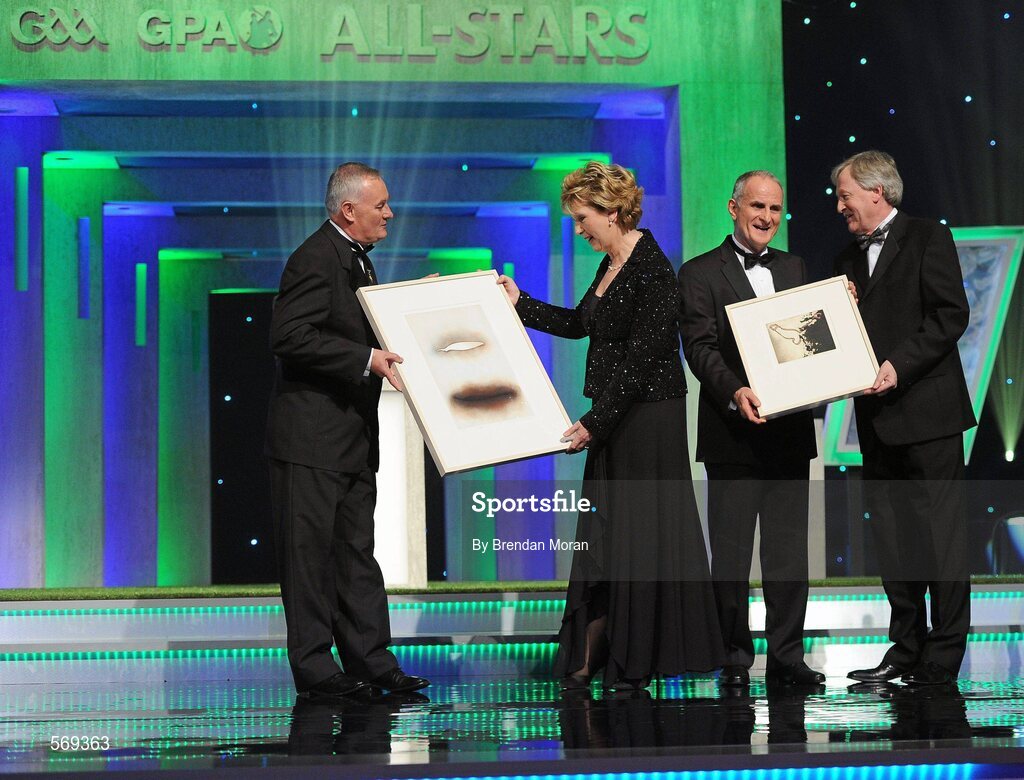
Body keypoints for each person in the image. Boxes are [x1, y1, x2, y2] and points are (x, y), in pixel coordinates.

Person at [497, 161, 723, 692]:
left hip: (648, 419)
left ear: (613, 211)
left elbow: (643, 359)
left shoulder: (652, 268)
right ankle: (596, 653)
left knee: (637, 535)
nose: (578, 230)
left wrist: (594, 423)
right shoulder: (613, 264)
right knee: (607, 535)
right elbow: (580, 325)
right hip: (617, 416)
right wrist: (519, 303)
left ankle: (635, 657)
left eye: (583, 219)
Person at [265, 162, 429, 700]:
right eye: (380, 205)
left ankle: (372, 662)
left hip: (350, 440)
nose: (390, 213)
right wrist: (365, 359)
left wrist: (413, 306)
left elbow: (359, 324)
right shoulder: (314, 258)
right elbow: (289, 336)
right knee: (310, 559)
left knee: (356, 553)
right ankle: (315, 670)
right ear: (348, 210)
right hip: (311, 442)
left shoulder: (357, 262)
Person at [832, 150, 975, 686]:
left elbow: (950, 315)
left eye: (845, 194)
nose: (839, 204)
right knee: (893, 538)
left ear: (877, 191)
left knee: (941, 537)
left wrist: (898, 365)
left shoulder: (927, 236)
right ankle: (906, 646)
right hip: (876, 419)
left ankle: (944, 656)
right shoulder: (846, 258)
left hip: (929, 414)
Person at [677, 171, 823, 688]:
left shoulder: (797, 267)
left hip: (788, 435)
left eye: (775, 210)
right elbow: (699, 347)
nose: (766, 218)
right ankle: (734, 658)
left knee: (788, 556)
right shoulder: (698, 273)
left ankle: (787, 657)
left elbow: (811, 339)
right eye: (757, 207)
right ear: (733, 207)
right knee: (732, 556)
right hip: (732, 435)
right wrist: (736, 392)